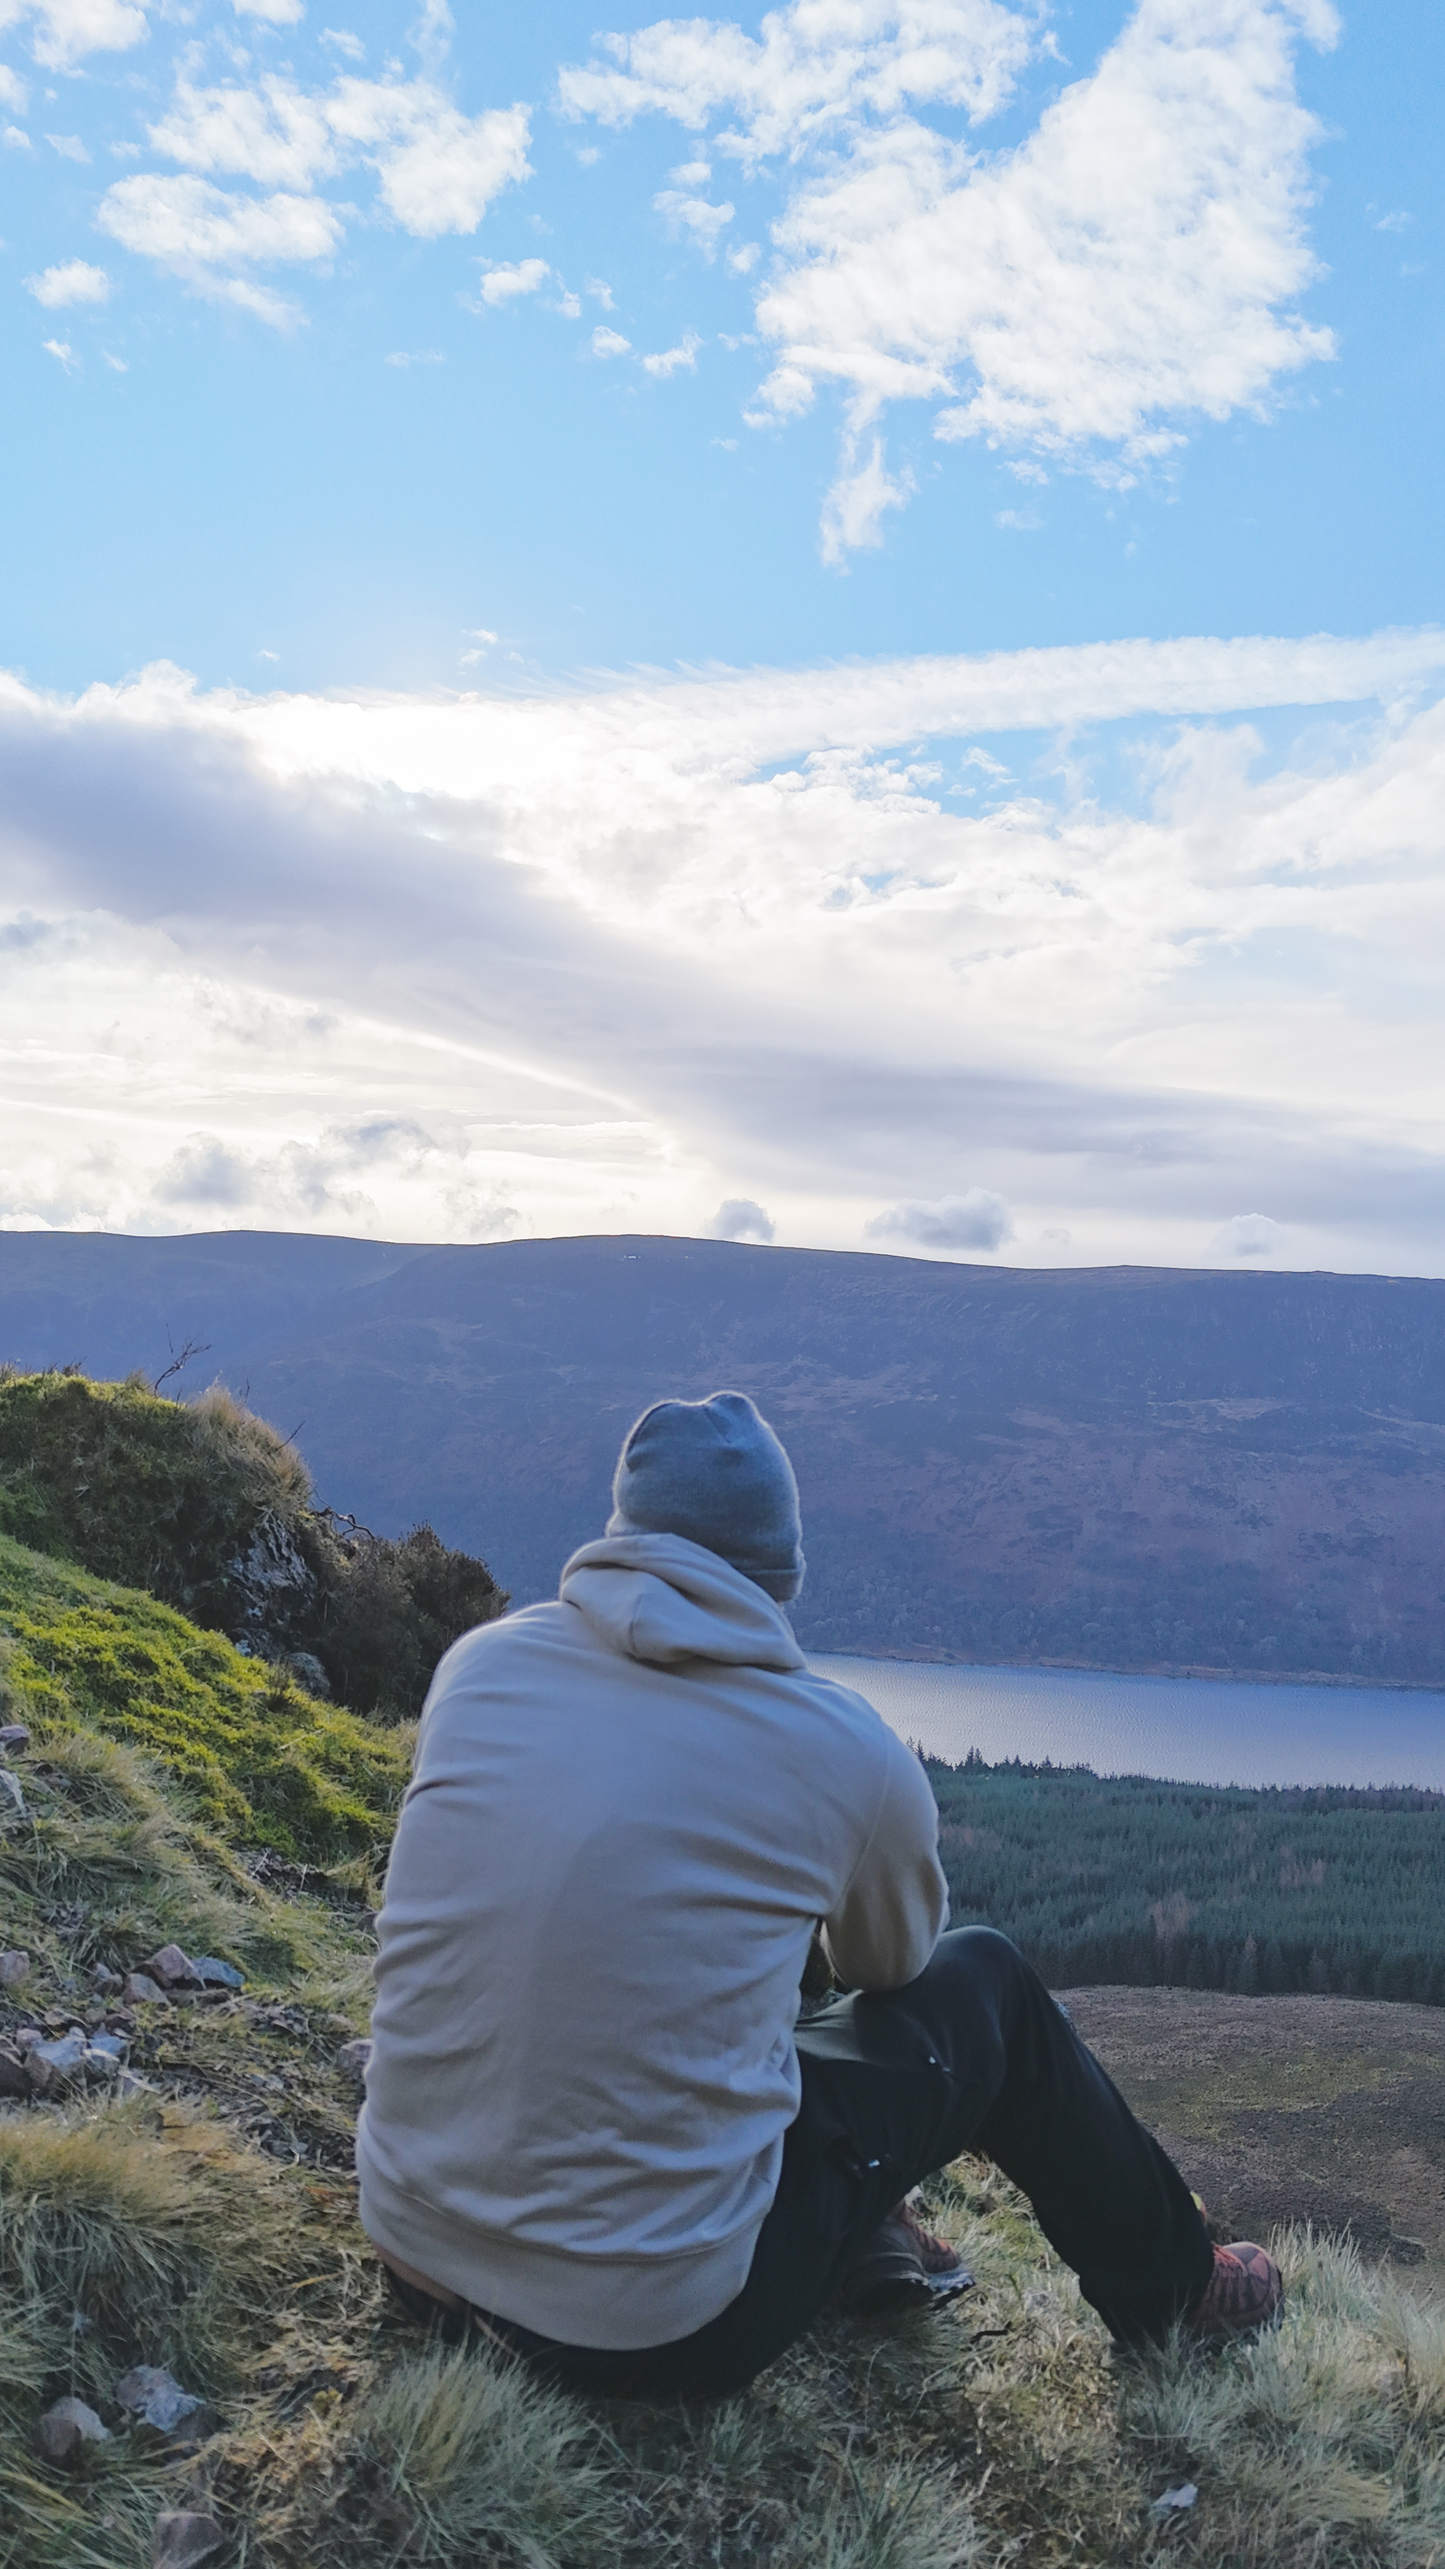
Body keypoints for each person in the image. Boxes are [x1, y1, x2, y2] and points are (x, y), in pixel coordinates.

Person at [356, 1390, 1281, 2400]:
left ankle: (869, 2230)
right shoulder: (838, 1747)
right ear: (777, 1564)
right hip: (642, 2334)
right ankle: (1174, 2288)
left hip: (411, 2247)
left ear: (622, 1530)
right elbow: (889, 1971)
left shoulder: (479, 1665)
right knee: (990, 1986)